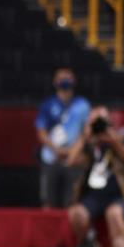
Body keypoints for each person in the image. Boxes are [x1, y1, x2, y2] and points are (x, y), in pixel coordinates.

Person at [66, 107, 124, 247]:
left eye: (101, 122)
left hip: (120, 195)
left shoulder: (120, 140)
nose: (98, 127)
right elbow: (71, 161)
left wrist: (112, 140)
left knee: (114, 214)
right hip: (94, 196)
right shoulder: (90, 145)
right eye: (94, 122)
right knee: (77, 213)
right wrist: (84, 137)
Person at [35, 68, 91, 209]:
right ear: (55, 82)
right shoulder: (47, 105)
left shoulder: (82, 105)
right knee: (48, 201)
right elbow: (41, 132)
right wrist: (56, 150)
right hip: (51, 157)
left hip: (73, 158)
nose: (65, 80)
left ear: (74, 81)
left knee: (72, 201)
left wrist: (72, 151)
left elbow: (85, 132)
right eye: (61, 77)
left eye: (68, 77)